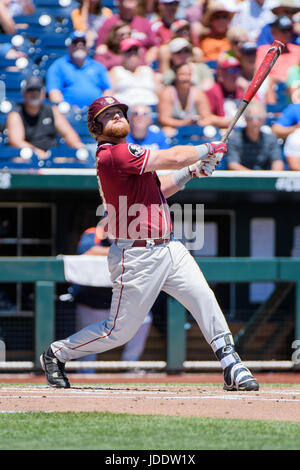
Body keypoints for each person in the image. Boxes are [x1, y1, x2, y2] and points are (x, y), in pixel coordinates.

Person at [40, 94, 259, 392]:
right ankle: (57, 353)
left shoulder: (130, 160)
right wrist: (207, 149)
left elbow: (161, 189)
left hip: (169, 247)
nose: (117, 116)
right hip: (136, 256)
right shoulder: (112, 154)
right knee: (118, 331)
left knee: (203, 298)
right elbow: (173, 157)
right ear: (95, 126)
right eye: (108, 114)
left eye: (120, 112)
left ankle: (232, 364)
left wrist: (193, 171)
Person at [72, 226, 153, 372]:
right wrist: (122, 252)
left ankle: (129, 365)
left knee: (145, 317)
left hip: (119, 303)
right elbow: (87, 251)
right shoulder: (94, 233)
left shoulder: (131, 234)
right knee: (86, 347)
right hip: (91, 302)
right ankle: (85, 374)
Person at [6, 76, 86, 160]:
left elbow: (68, 133)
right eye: (30, 90)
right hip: (28, 156)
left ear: (43, 94)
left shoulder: (52, 111)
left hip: (53, 155)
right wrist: (37, 152)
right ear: (24, 94)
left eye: (37, 90)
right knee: (19, 159)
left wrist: (76, 145)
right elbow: (16, 141)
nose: (34, 93)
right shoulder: (16, 114)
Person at [46, 31, 112, 110]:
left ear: (87, 47)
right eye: (75, 42)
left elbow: (108, 90)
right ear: (69, 46)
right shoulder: (58, 66)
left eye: (83, 42)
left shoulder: (98, 66)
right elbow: (54, 94)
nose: (79, 45)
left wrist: (102, 107)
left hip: (95, 112)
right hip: (69, 112)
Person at [158, 62, 218, 137]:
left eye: (189, 75)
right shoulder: (167, 93)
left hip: (194, 130)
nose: (186, 78)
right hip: (174, 130)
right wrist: (183, 123)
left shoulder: (198, 93)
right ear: (176, 76)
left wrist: (198, 122)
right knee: (167, 131)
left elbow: (207, 117)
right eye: (182, 74)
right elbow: (164, 119)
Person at [226, 100, 284, 171]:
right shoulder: (234, 138)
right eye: (251, 118)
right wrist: (254, 178)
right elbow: (233, 165)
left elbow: (278, 162)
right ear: (246, 119)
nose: (255, 122)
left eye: (259, 118)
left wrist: (270, 177)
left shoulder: (271, 139)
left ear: (264, 120)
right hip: (241, 179)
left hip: (264, 179)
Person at [255, 16, 300, 105]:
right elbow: (260, 74)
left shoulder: (298, 49)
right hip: (274, 88)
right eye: (283, 30)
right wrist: (281, 79)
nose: (287, 34)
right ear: (273, 31)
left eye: (289, 30)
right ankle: (273, 112)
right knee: (267, 81)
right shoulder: (264, 50)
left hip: (295, 87)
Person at [108, 37, 161, 107]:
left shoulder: (148, 70)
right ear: (121, 53)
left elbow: (160, 93)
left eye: (135, 50)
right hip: (126, 111)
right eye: (128, 51)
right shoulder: (116, 71)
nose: (132, 54)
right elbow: (109, 95)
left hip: (150, 110)